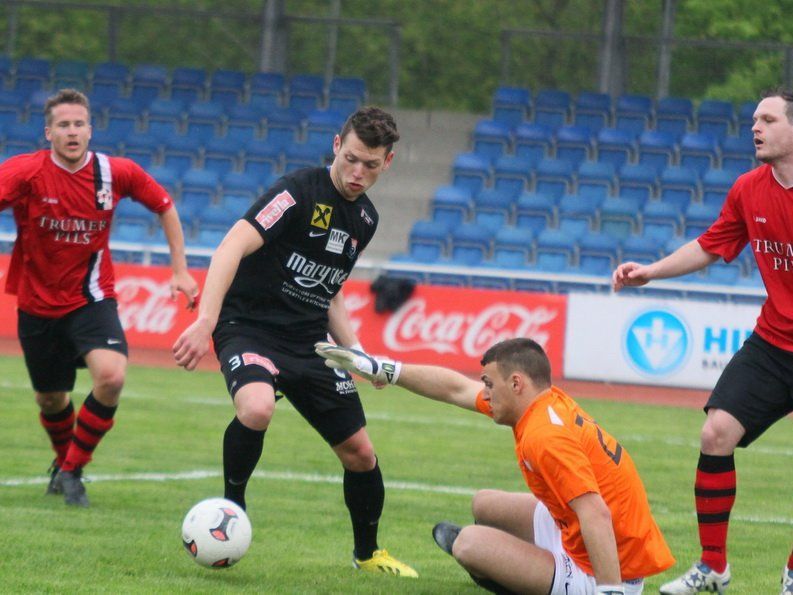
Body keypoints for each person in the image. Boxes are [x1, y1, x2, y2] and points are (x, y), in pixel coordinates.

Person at [172, 107, 417, 578]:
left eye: (370, 164)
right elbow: (231, 245)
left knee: (361, 454)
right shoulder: (296, 192)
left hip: (309, 341)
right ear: (336, 146)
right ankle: (232, 510)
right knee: (257, 407)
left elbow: (331, 293)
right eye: (350, 158)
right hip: (248, 326)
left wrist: (358, 355)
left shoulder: (366, 218)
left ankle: (368, 554)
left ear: (387, 162)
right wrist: (206, 320)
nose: (357, 172)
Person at [315, 338, 675, 594]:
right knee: (484, 504)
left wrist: (609, 590)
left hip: (606, 568)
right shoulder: (542, 402)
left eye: (489, 384)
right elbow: (455, 388)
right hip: (581, 534)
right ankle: (526, 564)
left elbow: (595, 513)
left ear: (516, 383)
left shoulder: (545, 436)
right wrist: (384, 369)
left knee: (469, 545)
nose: (484, 393)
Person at [612, 89, 793, 595]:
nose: (755, 127)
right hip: (773, 342)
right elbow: (712, 245)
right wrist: (651, 271)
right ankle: (713, 567)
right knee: (716, 434)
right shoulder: (748, 189)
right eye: (754, 119)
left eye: (768, 119)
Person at [0, 88, 199, 507]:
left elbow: (165, 206)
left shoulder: (115, 172)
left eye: (79, 124)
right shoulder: (25, 172)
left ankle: (72, 471)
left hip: (90, 298)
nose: (72, 132)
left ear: (90, 130)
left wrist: (180, 270)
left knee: (111, 377)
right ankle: (63, 465)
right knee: (50, 399)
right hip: (36, 304)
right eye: (63, 125)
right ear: (49, 133)